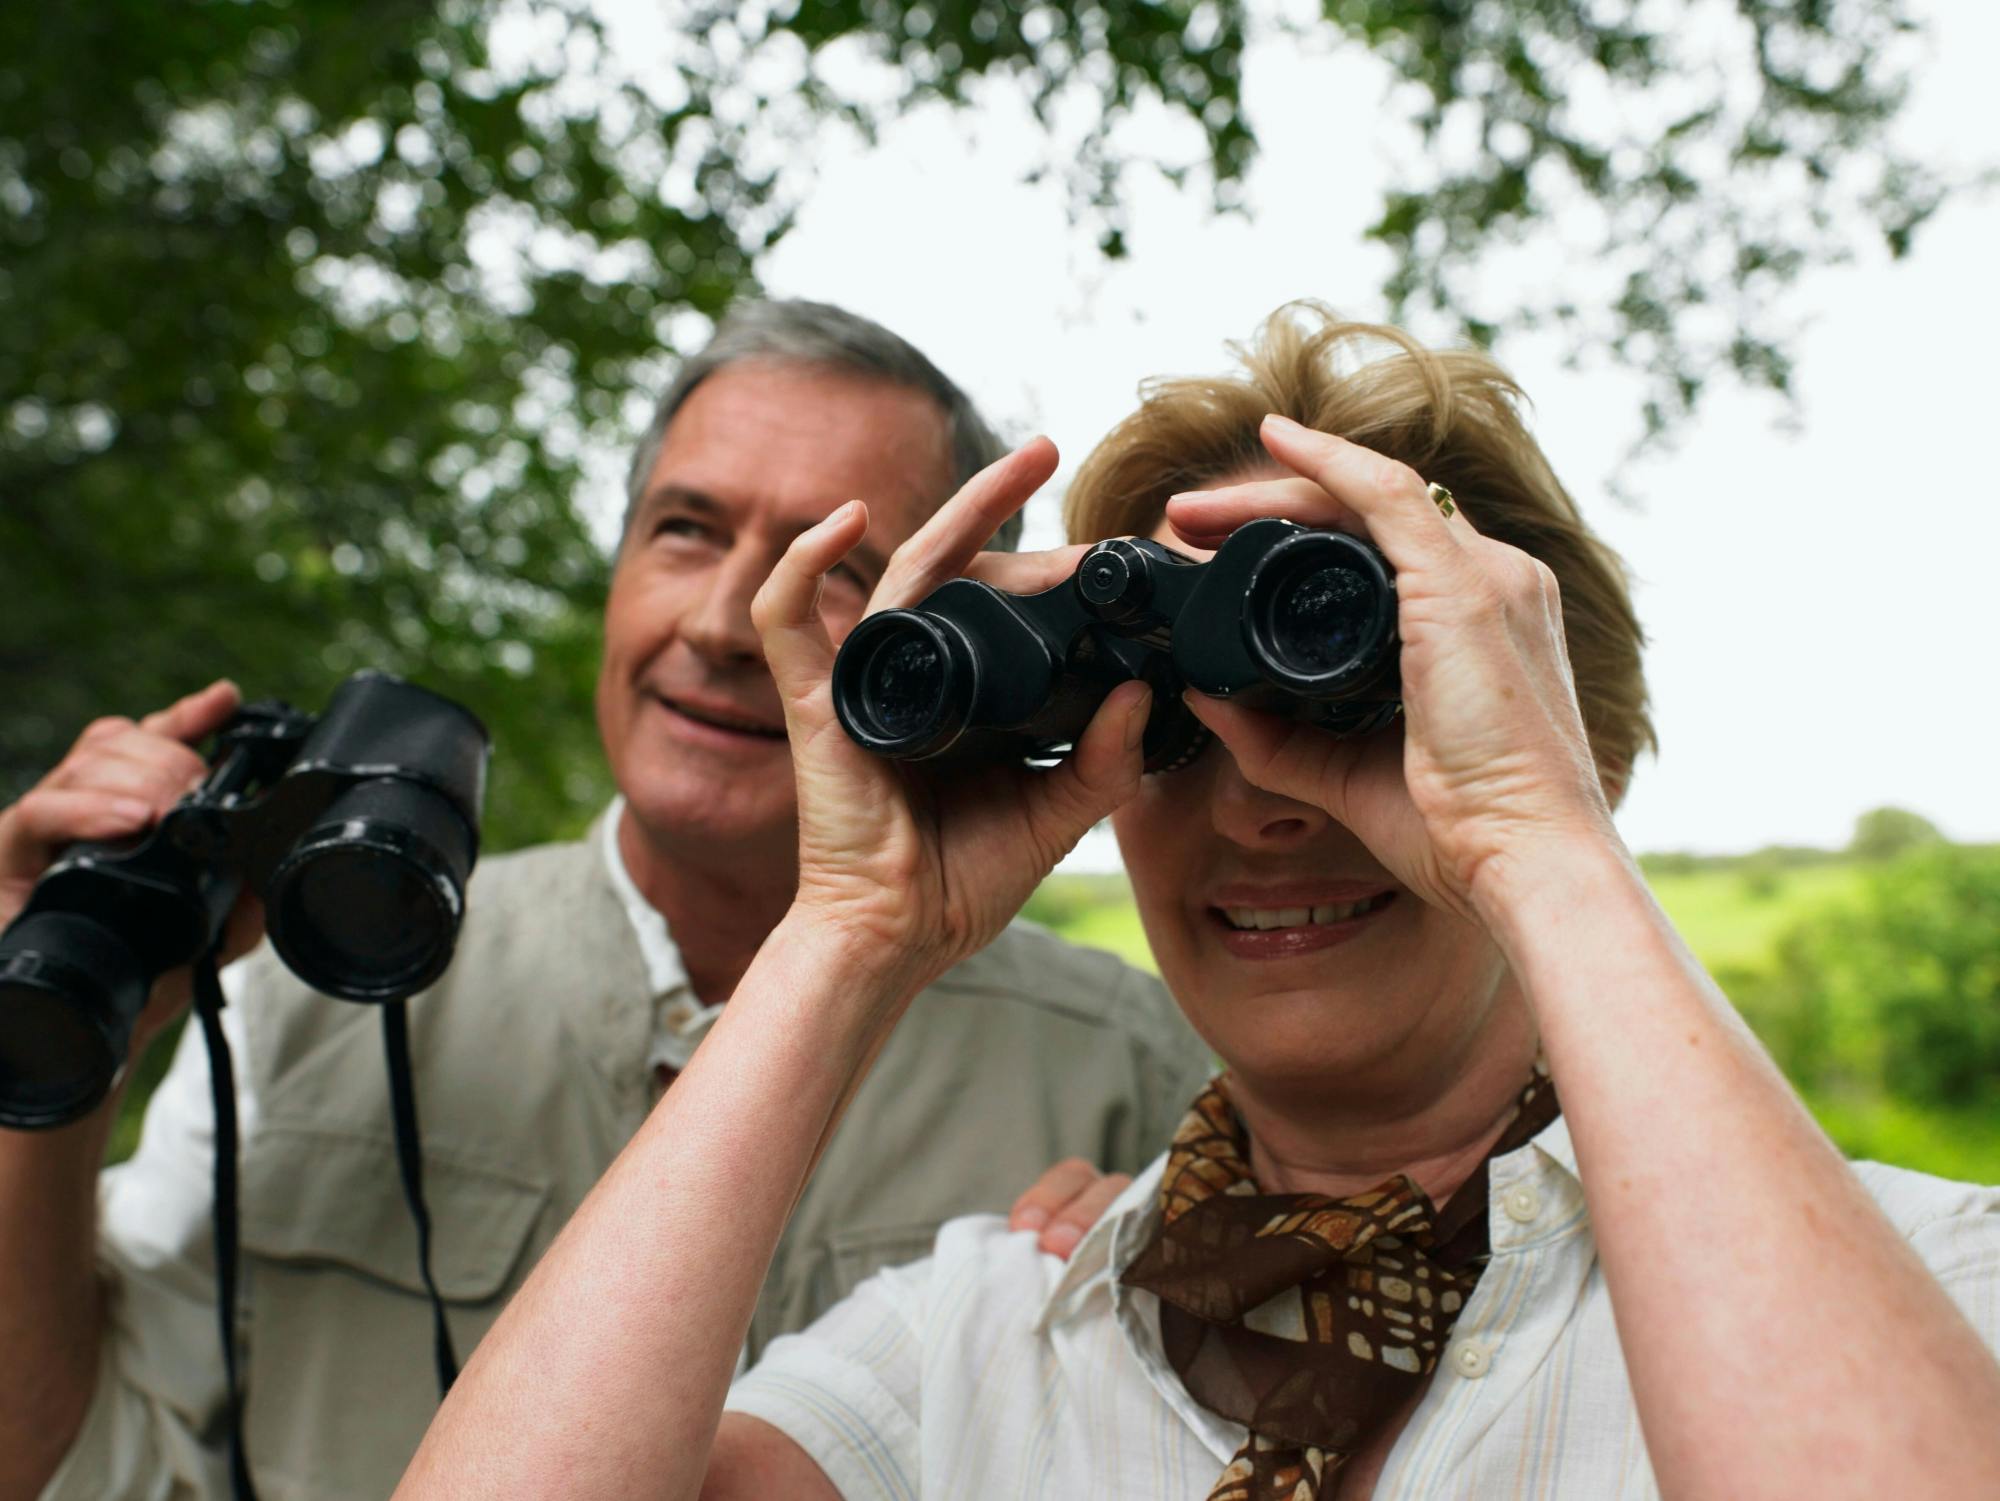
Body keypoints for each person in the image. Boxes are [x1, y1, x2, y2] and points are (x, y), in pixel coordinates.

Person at [392, 304, 2000, 1501]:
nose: (1258, 798)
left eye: (1360, 699)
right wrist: (849, 933)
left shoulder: (1936, 1285)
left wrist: (1537, 838)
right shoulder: (980, 1343)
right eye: (1168, 711)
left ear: (1557, 723)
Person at [0, 300, 1213, 1501]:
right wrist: (47, 1044)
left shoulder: (1132, 1070)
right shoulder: (303, 994)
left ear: (958, 628)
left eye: (829, 565)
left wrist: (1138, 1279)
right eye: (684, 531)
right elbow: (57, 1463)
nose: (721, 620)